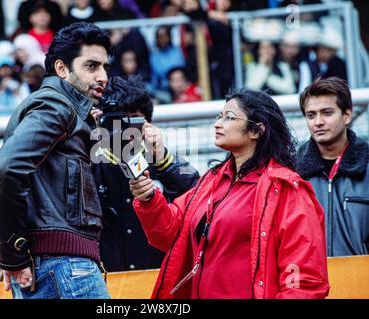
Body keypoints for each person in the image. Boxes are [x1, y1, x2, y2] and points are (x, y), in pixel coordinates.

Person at [129, 88, 330, 299]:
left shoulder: (287, 189)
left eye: (229, 117)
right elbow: (169, 234)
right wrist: (149, 198)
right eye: (219, 116)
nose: (217, 123)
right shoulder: (212, 181)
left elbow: (305, 282)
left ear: (256, 131)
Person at [0, 22, 112, 299]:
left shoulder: (62, 108)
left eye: (105, 66)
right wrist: (12, 257)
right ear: (61, 69)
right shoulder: (56, 106)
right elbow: (5, 168)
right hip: (63, 268)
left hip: (58, 268)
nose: (103, 76)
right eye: (91, 66)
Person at [92, 75, 200, 272]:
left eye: (131, 120)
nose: (123, 130)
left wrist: (162, 158)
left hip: (156, 279)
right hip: (107, 285)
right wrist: (87, 136)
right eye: (116, 120)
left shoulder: (162, 159)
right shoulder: (90, 161)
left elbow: (198, 196)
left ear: (147, 122)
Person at [296, 77, 369, 256]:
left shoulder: (367, 165)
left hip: (360, 279)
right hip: (310, 281)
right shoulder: (292, 171)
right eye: (311, 115)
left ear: (347, 115)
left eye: (327, 113)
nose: (318, 122)